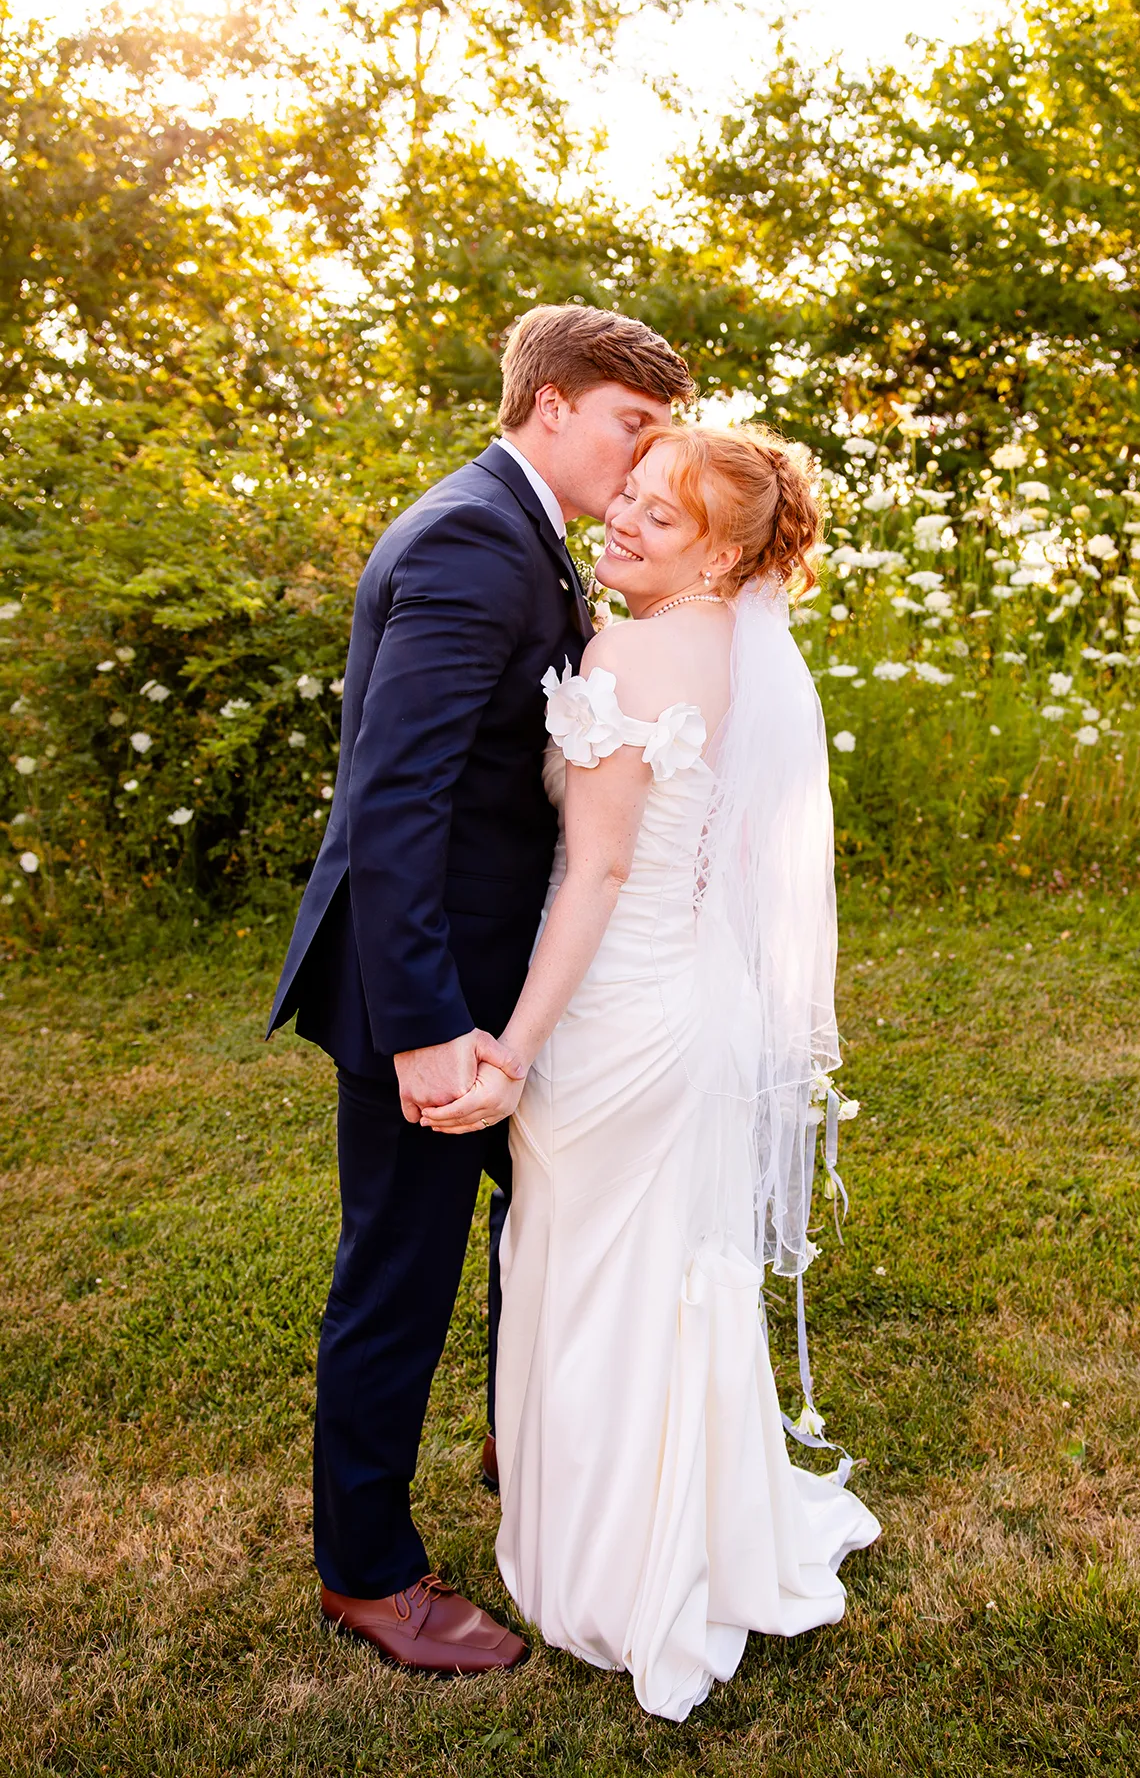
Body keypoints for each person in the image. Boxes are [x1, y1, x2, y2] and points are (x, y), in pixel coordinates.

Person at [266, 305, 696, 1675]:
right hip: (430, 989)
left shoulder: (516, 530)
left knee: (538, 1226)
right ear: (553, 404)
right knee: (399, 1270)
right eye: (633, 426)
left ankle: (536, 1459)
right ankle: (370, 1575)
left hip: (503, 982)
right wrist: (427, 1029)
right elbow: (394, 803)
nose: (641, 465)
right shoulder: (467, 536)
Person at [427, 423, 881, 1719]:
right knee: (660, 1274)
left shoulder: (628, 649)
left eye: (659, 518)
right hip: (691, 996)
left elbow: (603, 870)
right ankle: (690, 1527)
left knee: (593, 1278)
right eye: (625, 496)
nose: (621, 521)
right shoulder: (740, 651)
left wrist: (514, 1047)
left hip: (617, 1011)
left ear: (725, 548)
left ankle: (618, 1566)